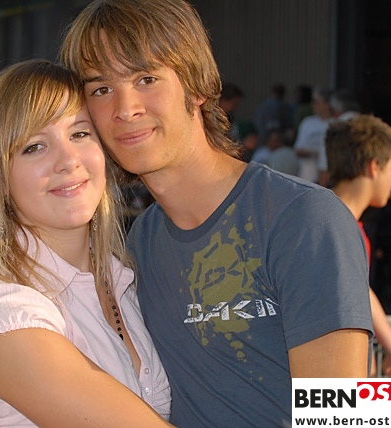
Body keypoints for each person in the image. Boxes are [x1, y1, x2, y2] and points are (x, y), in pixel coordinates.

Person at [60, 0, 373, 426]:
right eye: (101, 89)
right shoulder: (139, 244)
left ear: (197, 87)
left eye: (146, 79)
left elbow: (348, 416)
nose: (125, 108)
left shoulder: (303, 216)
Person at [0, 59, 172, 427]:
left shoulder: (123, 278)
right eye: (34, 146)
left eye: (79, 134)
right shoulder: (5, 311)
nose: (68, 160)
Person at [326, 114, 391, 377]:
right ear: (374, 167)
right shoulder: (338, 225)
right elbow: (357, 289)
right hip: (336, 372)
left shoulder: (329, 218)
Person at [293, 86, 333, 183]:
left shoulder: (336, 123)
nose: (313, 105)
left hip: (328, 180)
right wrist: (317, 154)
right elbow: (298, 149)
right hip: (307, 179)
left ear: (327, 104)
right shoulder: (307, 122)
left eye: (316, 102)